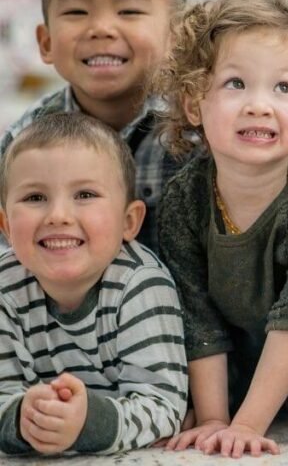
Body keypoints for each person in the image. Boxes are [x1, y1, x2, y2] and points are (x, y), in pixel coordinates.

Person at [156, 0, 288, 457]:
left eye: (284, 87)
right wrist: (214, 418)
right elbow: (196, 317)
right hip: (235, 366)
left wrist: (246, 425)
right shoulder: (184, 198)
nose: (259, 104)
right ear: (193, 104)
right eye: (235, 83)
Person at [0, 113, 187, 455]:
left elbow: (164, 407)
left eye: (85, 194)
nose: (58, 216)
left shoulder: (140, 284)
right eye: (35, 198)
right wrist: (23, 419)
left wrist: (86, 424)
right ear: (6, 226)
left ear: (129, 222)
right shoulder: (5, 288)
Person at [1, 0, 189, 253]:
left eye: (129, 11)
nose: (101, 28)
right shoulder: (23, 143)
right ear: (46, 42)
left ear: (177, 36)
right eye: (76, 12)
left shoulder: (200, 131)